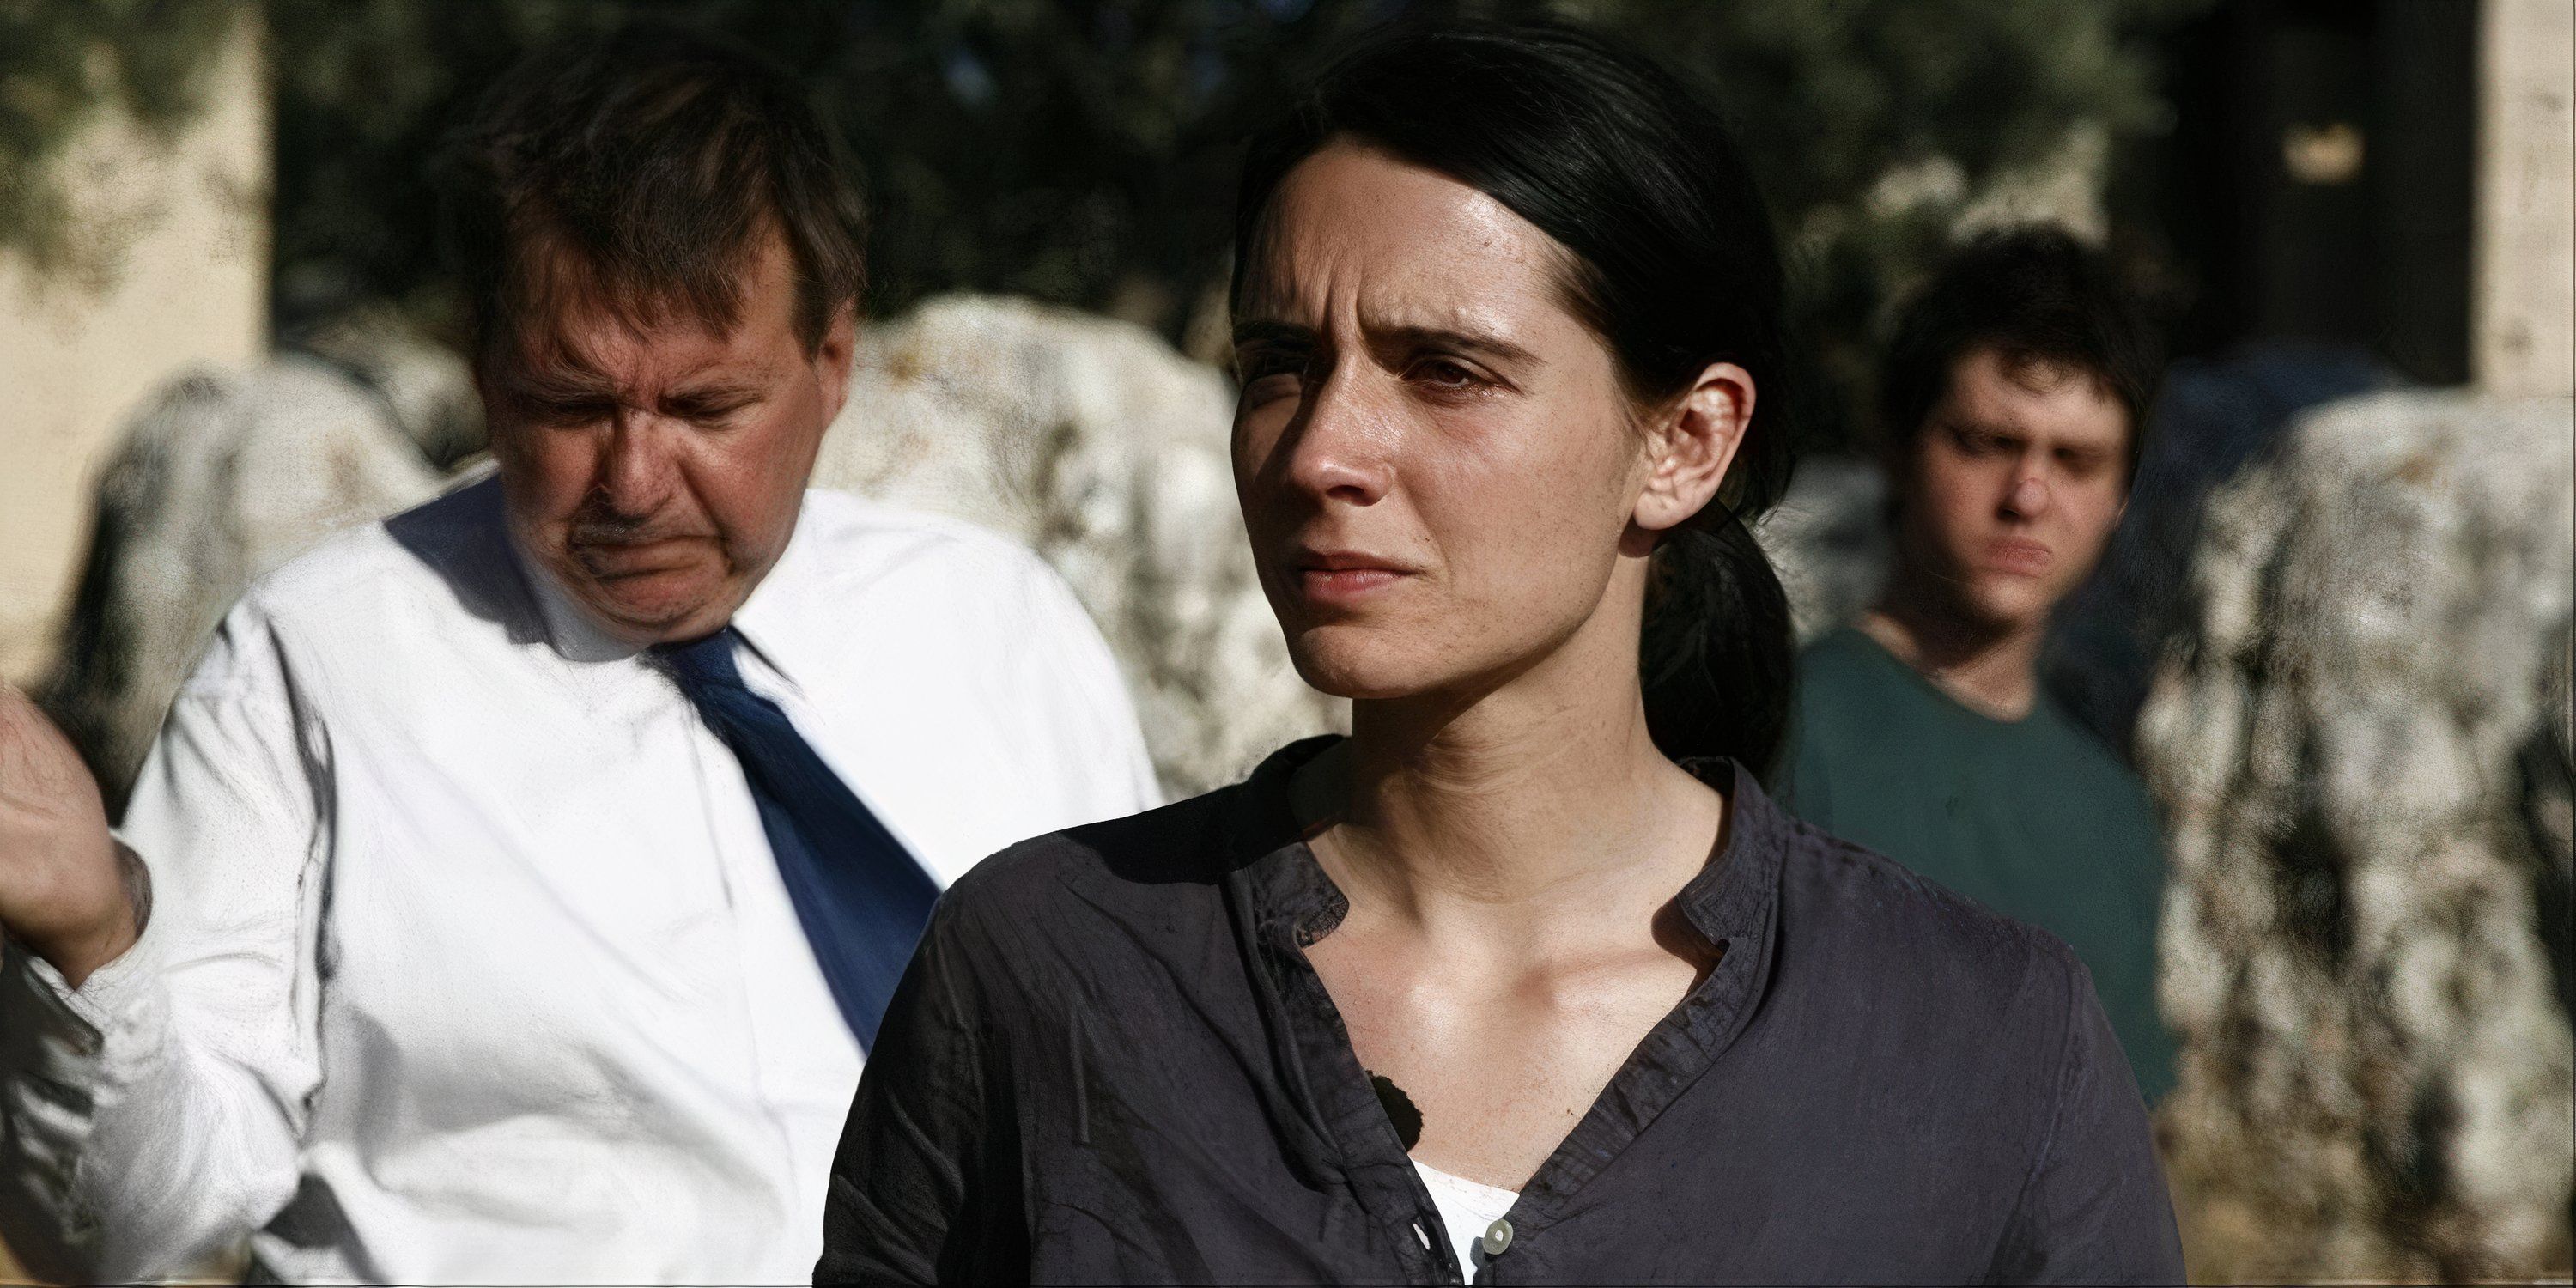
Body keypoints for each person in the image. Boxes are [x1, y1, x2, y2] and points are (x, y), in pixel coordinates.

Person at [819, 22, 2182, 1285]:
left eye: (1446, 370)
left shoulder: (1986, 1042)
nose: (1320, 452)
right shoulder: (1047, 974)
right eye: (1281, 363)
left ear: (1684, 441)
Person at [0, 27, 1157, 1284]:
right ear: (484, 371)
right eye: (571, 405)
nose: (636, 481)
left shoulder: (1000, 631)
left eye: (709, 408)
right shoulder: (315, 668)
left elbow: (1143, 1100)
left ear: (832, 363)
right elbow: (117, 1236)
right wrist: (91, 946)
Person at [1776, 228, 2179, 1104]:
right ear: (1898, 444)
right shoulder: (1781, 730)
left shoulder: (2115, 812)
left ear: (2119, 497)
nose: (2028, 497)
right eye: (1987, 442)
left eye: (2076, 460)